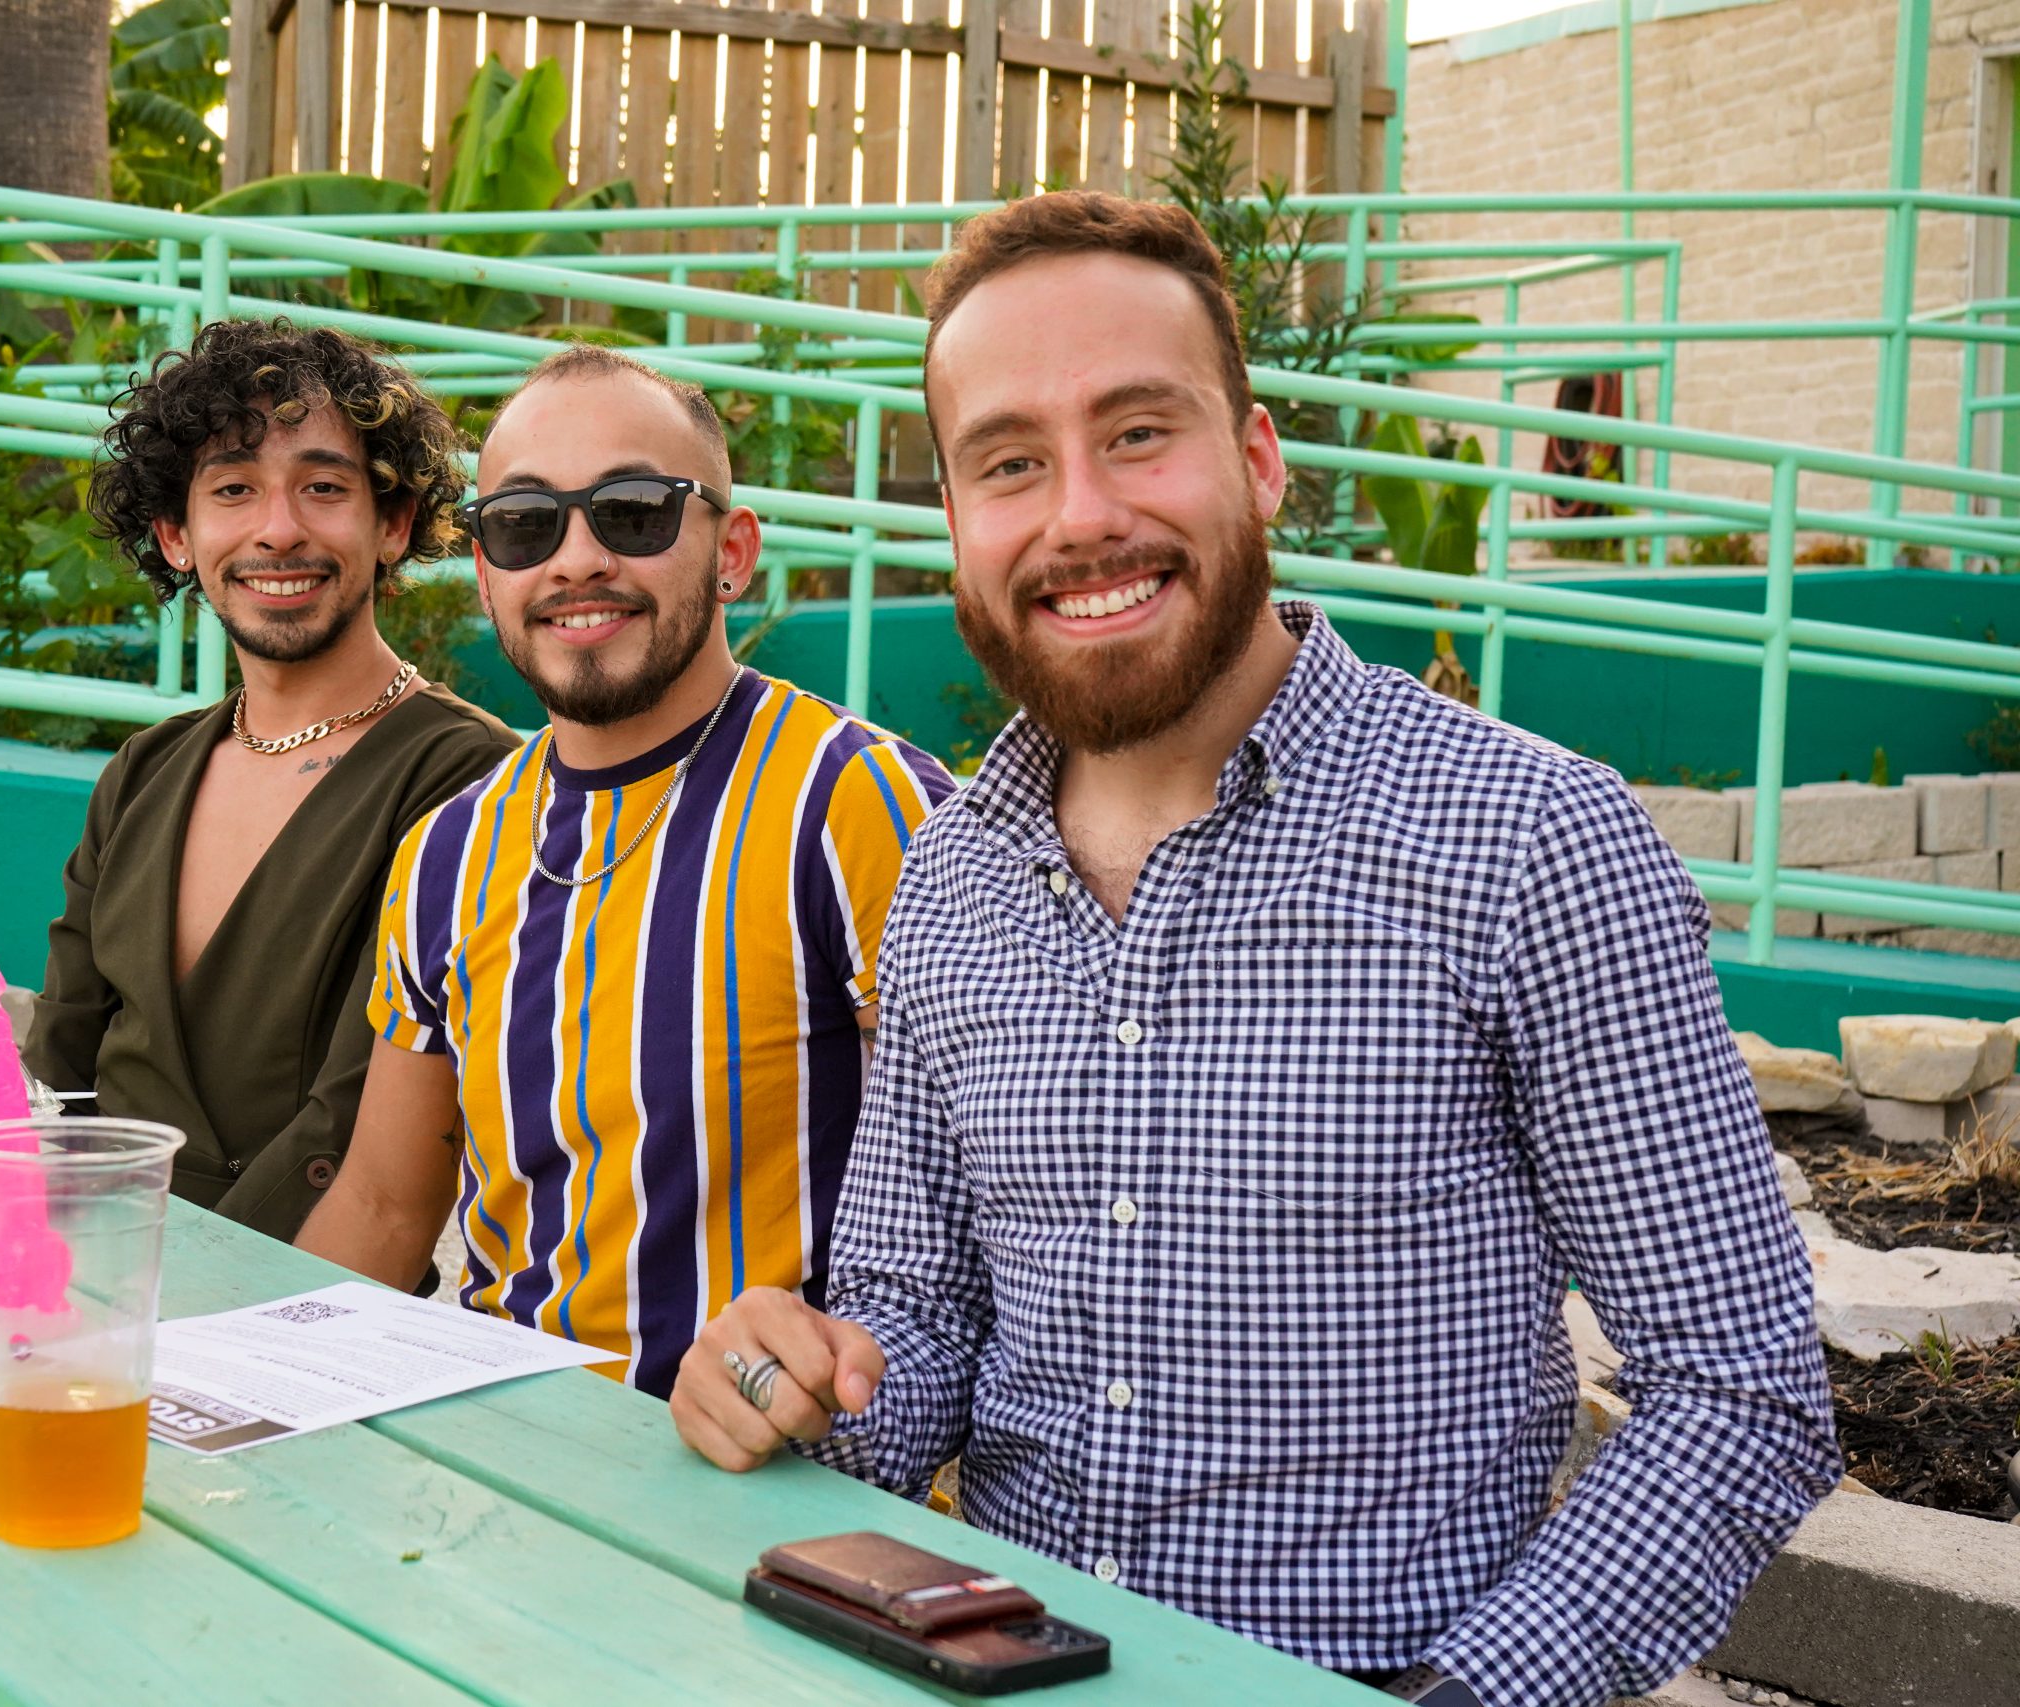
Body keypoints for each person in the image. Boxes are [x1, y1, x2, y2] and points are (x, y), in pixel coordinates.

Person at [669, 193, 1840, 1707]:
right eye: (1010, 463)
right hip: (993, 1666)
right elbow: (918, 1319)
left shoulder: (1533, 843)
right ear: (955, 521)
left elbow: (1737, 1391)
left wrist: (1460, 1700)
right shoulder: (950, 874)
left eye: (1138, 432)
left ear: (1261, 460)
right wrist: (794, 1385)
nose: (1079, 515)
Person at [296, 344, 955, 1396]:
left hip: (768, 1452)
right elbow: (382, 1206)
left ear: (732, 551)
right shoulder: (446, 854)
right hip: (503, 1446)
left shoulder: (856, 805)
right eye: (524, 524)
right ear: (486, 573)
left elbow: (983, 1211)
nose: (576, 560)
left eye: (633, 512)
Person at [25, 320, 517, 1241]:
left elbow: (364, 1145)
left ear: (393, 524)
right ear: (177, 535)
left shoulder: (468, 778)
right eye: (233, 489)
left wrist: (194, 1300)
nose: (279, 530)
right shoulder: (143, 772)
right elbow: (58, 1076)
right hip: (89, 1278)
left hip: (309, 1292)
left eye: (324, 487)